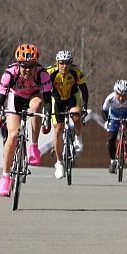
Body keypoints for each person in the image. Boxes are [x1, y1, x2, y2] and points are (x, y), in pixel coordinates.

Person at [0, 44, 53, 197]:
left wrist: (47, 117)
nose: (28, 70)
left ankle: (34, 146)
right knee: (13, 135)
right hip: (16, 97)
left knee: (37, 105)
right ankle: (5, 177)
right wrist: (0, 113)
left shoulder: (42, 74)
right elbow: (0, 99)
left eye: (31, 66)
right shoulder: (9, 74)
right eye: (24, 66)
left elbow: (47, 100)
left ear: (36, 64)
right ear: (18, 64)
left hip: (34, 96)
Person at [47, 50, 89, 179]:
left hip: (72, 97)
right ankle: (59, 163)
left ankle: (78, 136)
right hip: (56, 99)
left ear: (71, 64)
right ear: (57, 63)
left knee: (76, 115)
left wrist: (85, 108)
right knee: (58, 129)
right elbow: (44, 93)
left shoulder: (76, 72)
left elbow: (84, 91)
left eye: (67, 63)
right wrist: (47, 111)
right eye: (62, 63)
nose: (64, 66)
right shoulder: (49, 73)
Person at [101, 79, 127, 174]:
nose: (121, 98)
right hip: (114, 115)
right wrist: (106, 121)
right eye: (119, 95)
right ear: (115, 93)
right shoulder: (110, 98)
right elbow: (104, 111)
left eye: (124, 96)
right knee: (111, 138)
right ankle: (113, 161)